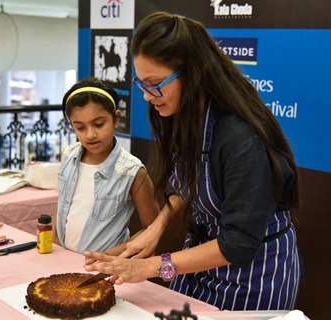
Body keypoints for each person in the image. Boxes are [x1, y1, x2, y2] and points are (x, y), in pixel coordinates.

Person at [85, 12, 301, 311]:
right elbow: (185, 183)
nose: (148, 97)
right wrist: (157, 227)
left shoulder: (241, 138)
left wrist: (149, 267)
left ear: (193, 72)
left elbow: (236, 244)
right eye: (141, 83)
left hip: (255, 276)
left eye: (156, 83)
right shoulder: (181, 116)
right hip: (201, 263)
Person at [55, 78, 158, 253]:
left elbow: (153, 228)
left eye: (99, 124)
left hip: (104, 268)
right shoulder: (68, 156)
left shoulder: (132, 171)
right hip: (64, 261)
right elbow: (62, 206)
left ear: (116, 118)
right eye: (80, 127)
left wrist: (112, 255)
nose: (90, 134)